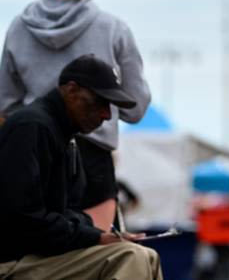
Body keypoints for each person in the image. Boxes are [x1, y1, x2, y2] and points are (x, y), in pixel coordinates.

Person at [0, 0, 152, 230]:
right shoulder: (113, 29)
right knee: (98, 263)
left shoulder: (20, 27)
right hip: (93, 163)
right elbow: (136, 109)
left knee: (40, 265)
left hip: (36, 155)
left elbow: (6, 105)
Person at [0, 54, 163, 279]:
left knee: (147, 255)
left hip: (37, 256)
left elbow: (64, 213)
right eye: (100, 101)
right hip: (12, 262)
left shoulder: (63, 135)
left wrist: (97, 234)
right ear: (71, 90)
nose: (107, 115)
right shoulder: (32, 127)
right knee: (131, 257)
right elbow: (22, 218)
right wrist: (95, 237)